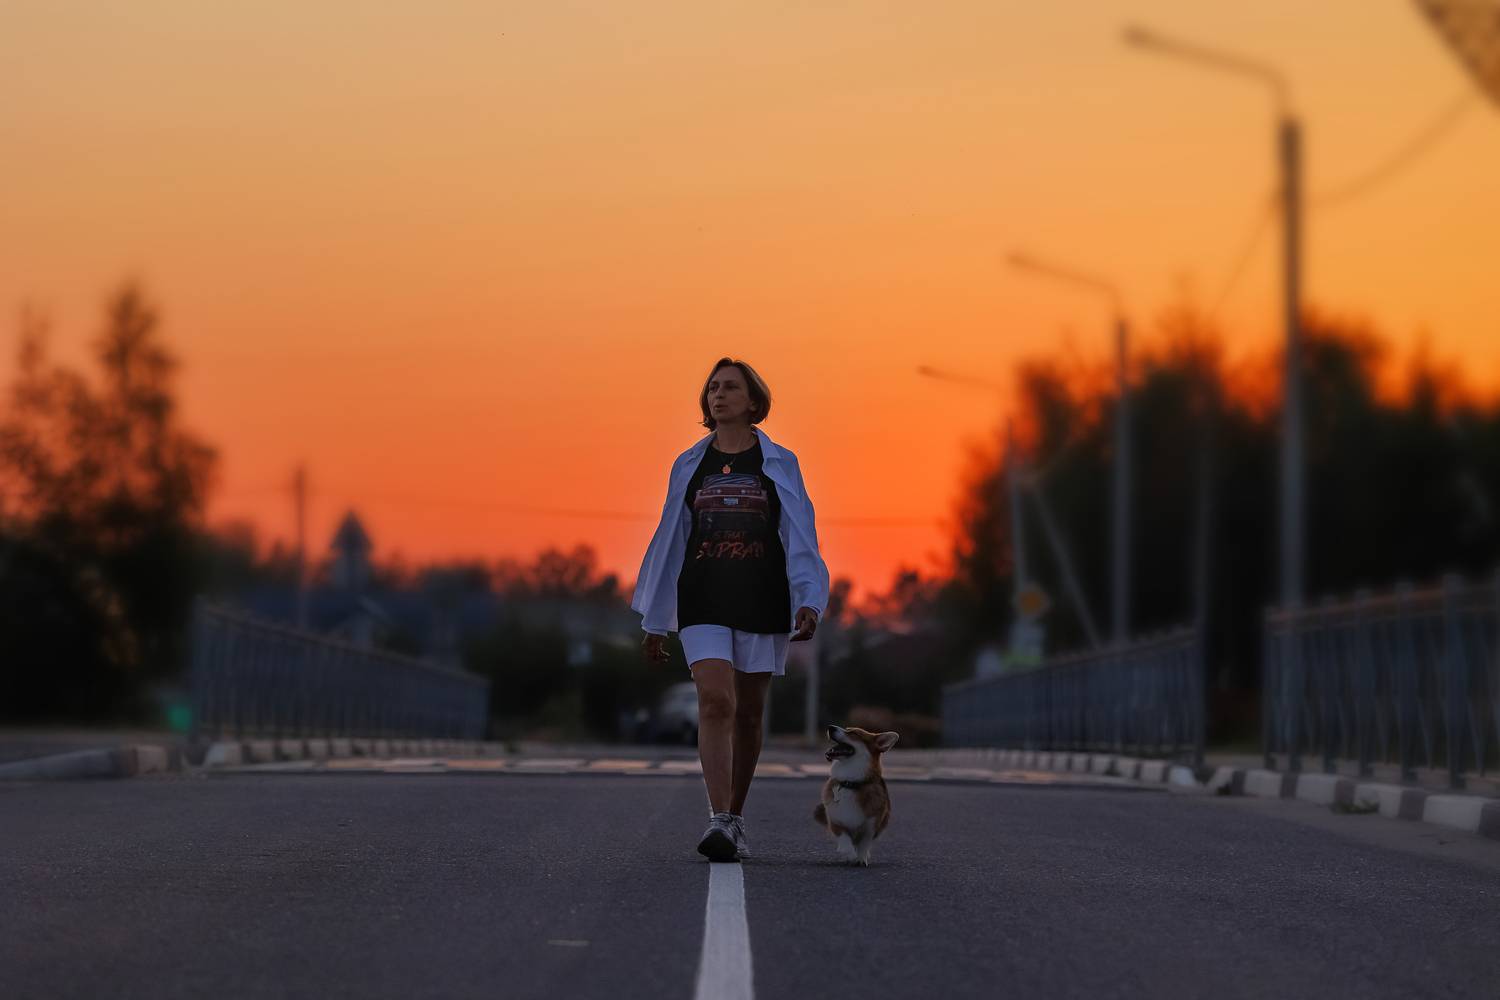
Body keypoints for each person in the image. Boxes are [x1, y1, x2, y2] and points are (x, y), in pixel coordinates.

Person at [631, 357, 830, 861]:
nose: (718, 395)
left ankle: (735, 817)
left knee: (749, 714)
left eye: (730, 388)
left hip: (762, 597)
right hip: (702, 598)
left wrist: (809, 599)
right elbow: (670, 539)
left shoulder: (779, 463)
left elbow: (800, 534)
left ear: (753, 401)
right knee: (716, 701)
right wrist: (657, 620)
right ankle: (718, 817)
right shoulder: (689, 464)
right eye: (713, 388)